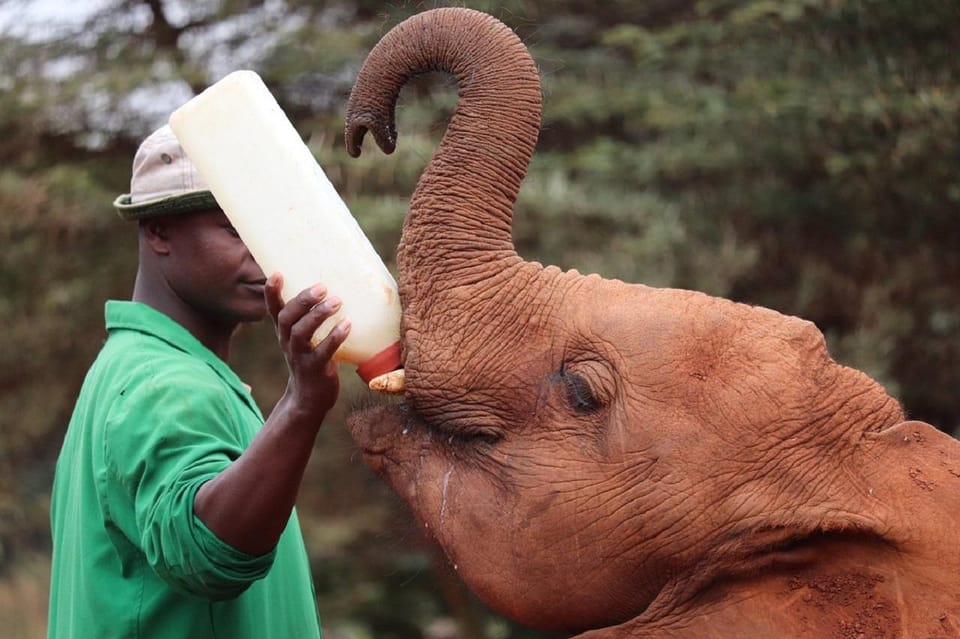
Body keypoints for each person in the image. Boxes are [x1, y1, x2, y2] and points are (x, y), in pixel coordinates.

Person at [47, 124, 351, 638]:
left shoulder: (126, 365)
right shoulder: (164, 383)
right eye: (234, 228)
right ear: (158, 231)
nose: (262, 252)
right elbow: (210, 552)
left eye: (268, 228)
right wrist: (301, 405)